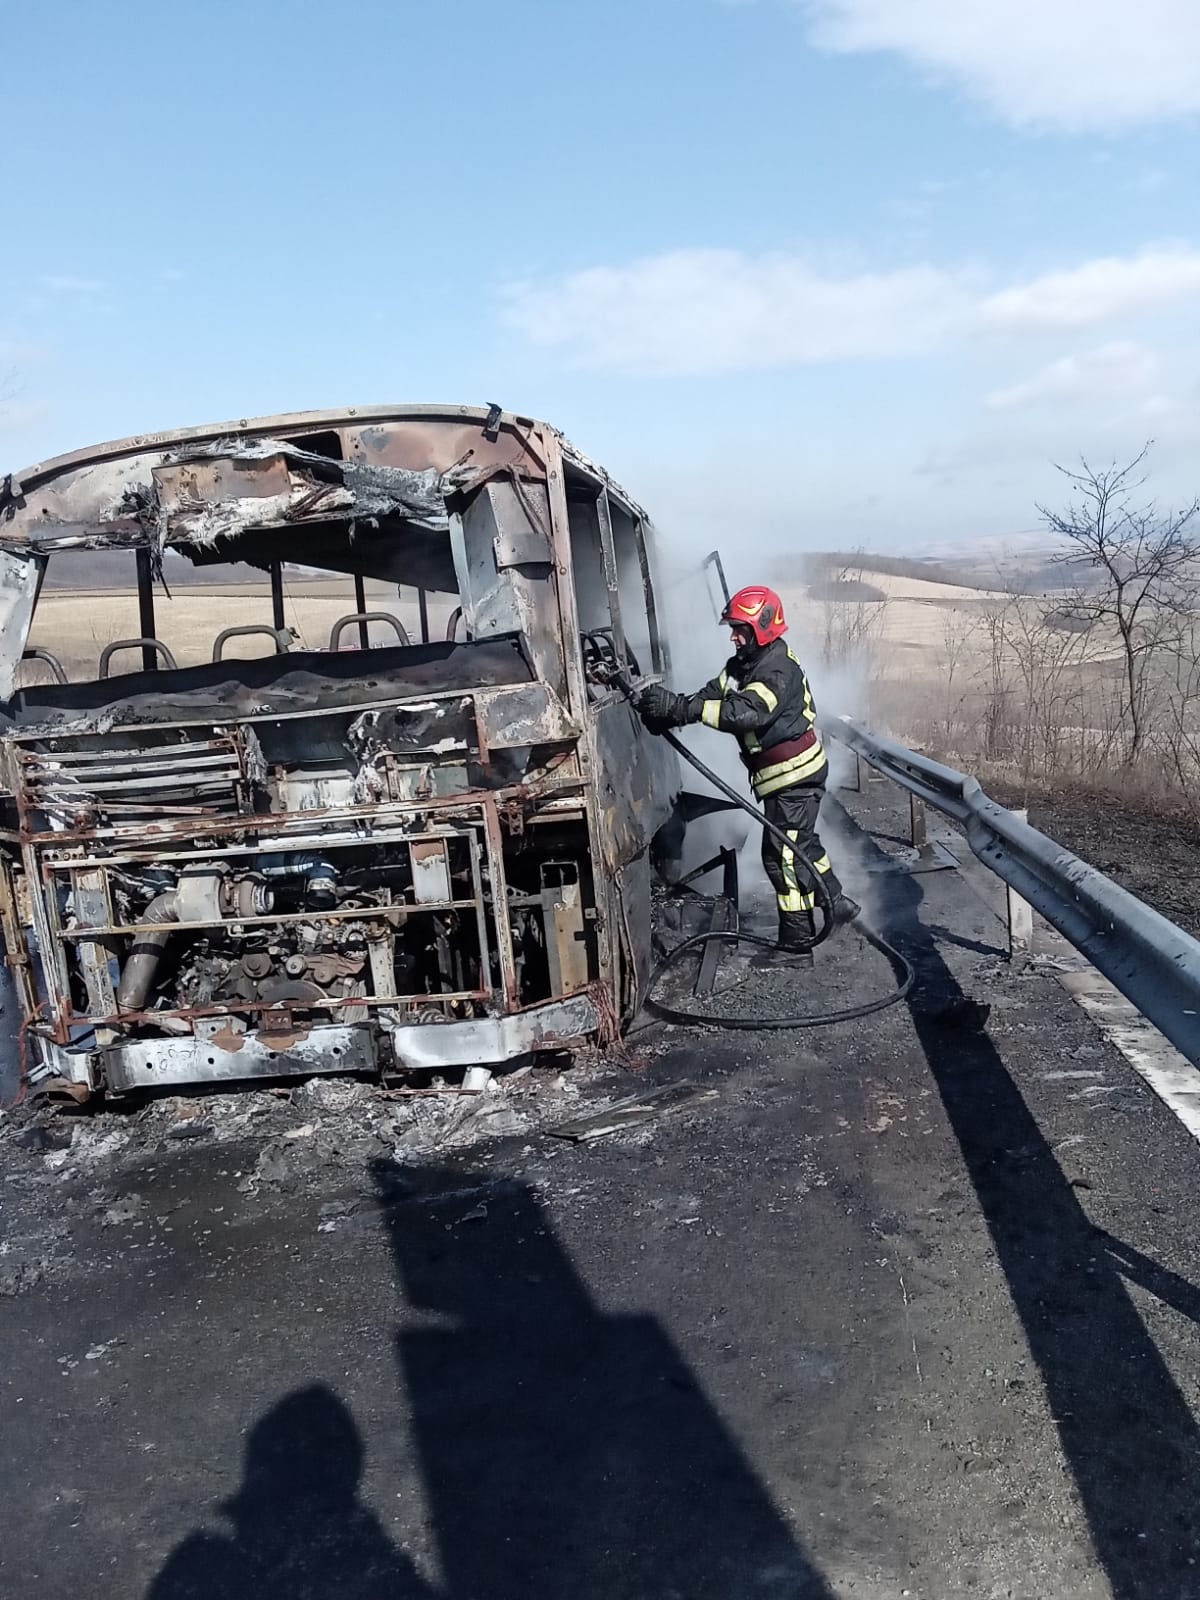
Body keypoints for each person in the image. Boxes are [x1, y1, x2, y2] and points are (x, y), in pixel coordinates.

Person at [637, 584, 859, 961]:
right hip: (782, 778)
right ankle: (836, 902)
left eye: (740, 628)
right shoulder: (742, 665)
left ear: (764, 627)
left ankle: (797, 941)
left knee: (780, 856)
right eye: (733, 628)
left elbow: (744, 713)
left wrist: (681, 709)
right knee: (801, 845)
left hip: (795, 776)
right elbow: (712, 695)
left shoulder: (777, 670)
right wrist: (673, 713)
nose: (734, 635)